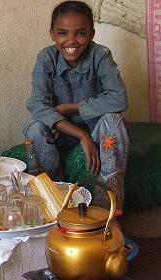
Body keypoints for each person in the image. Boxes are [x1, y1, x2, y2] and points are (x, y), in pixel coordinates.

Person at [23, 0, 129, 209]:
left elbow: (119, 99)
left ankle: (107, 206)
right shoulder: (46, 58)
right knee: (35, 126)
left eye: (80, 33)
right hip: (61, 133)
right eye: (63, 33)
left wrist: (71, 107)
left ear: (91, 34)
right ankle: (53, 200)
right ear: (52, 34)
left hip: (98, 133)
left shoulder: (101, 55)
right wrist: (81, 135)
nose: (71, 40)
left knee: (113, 122)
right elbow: (38, 104)